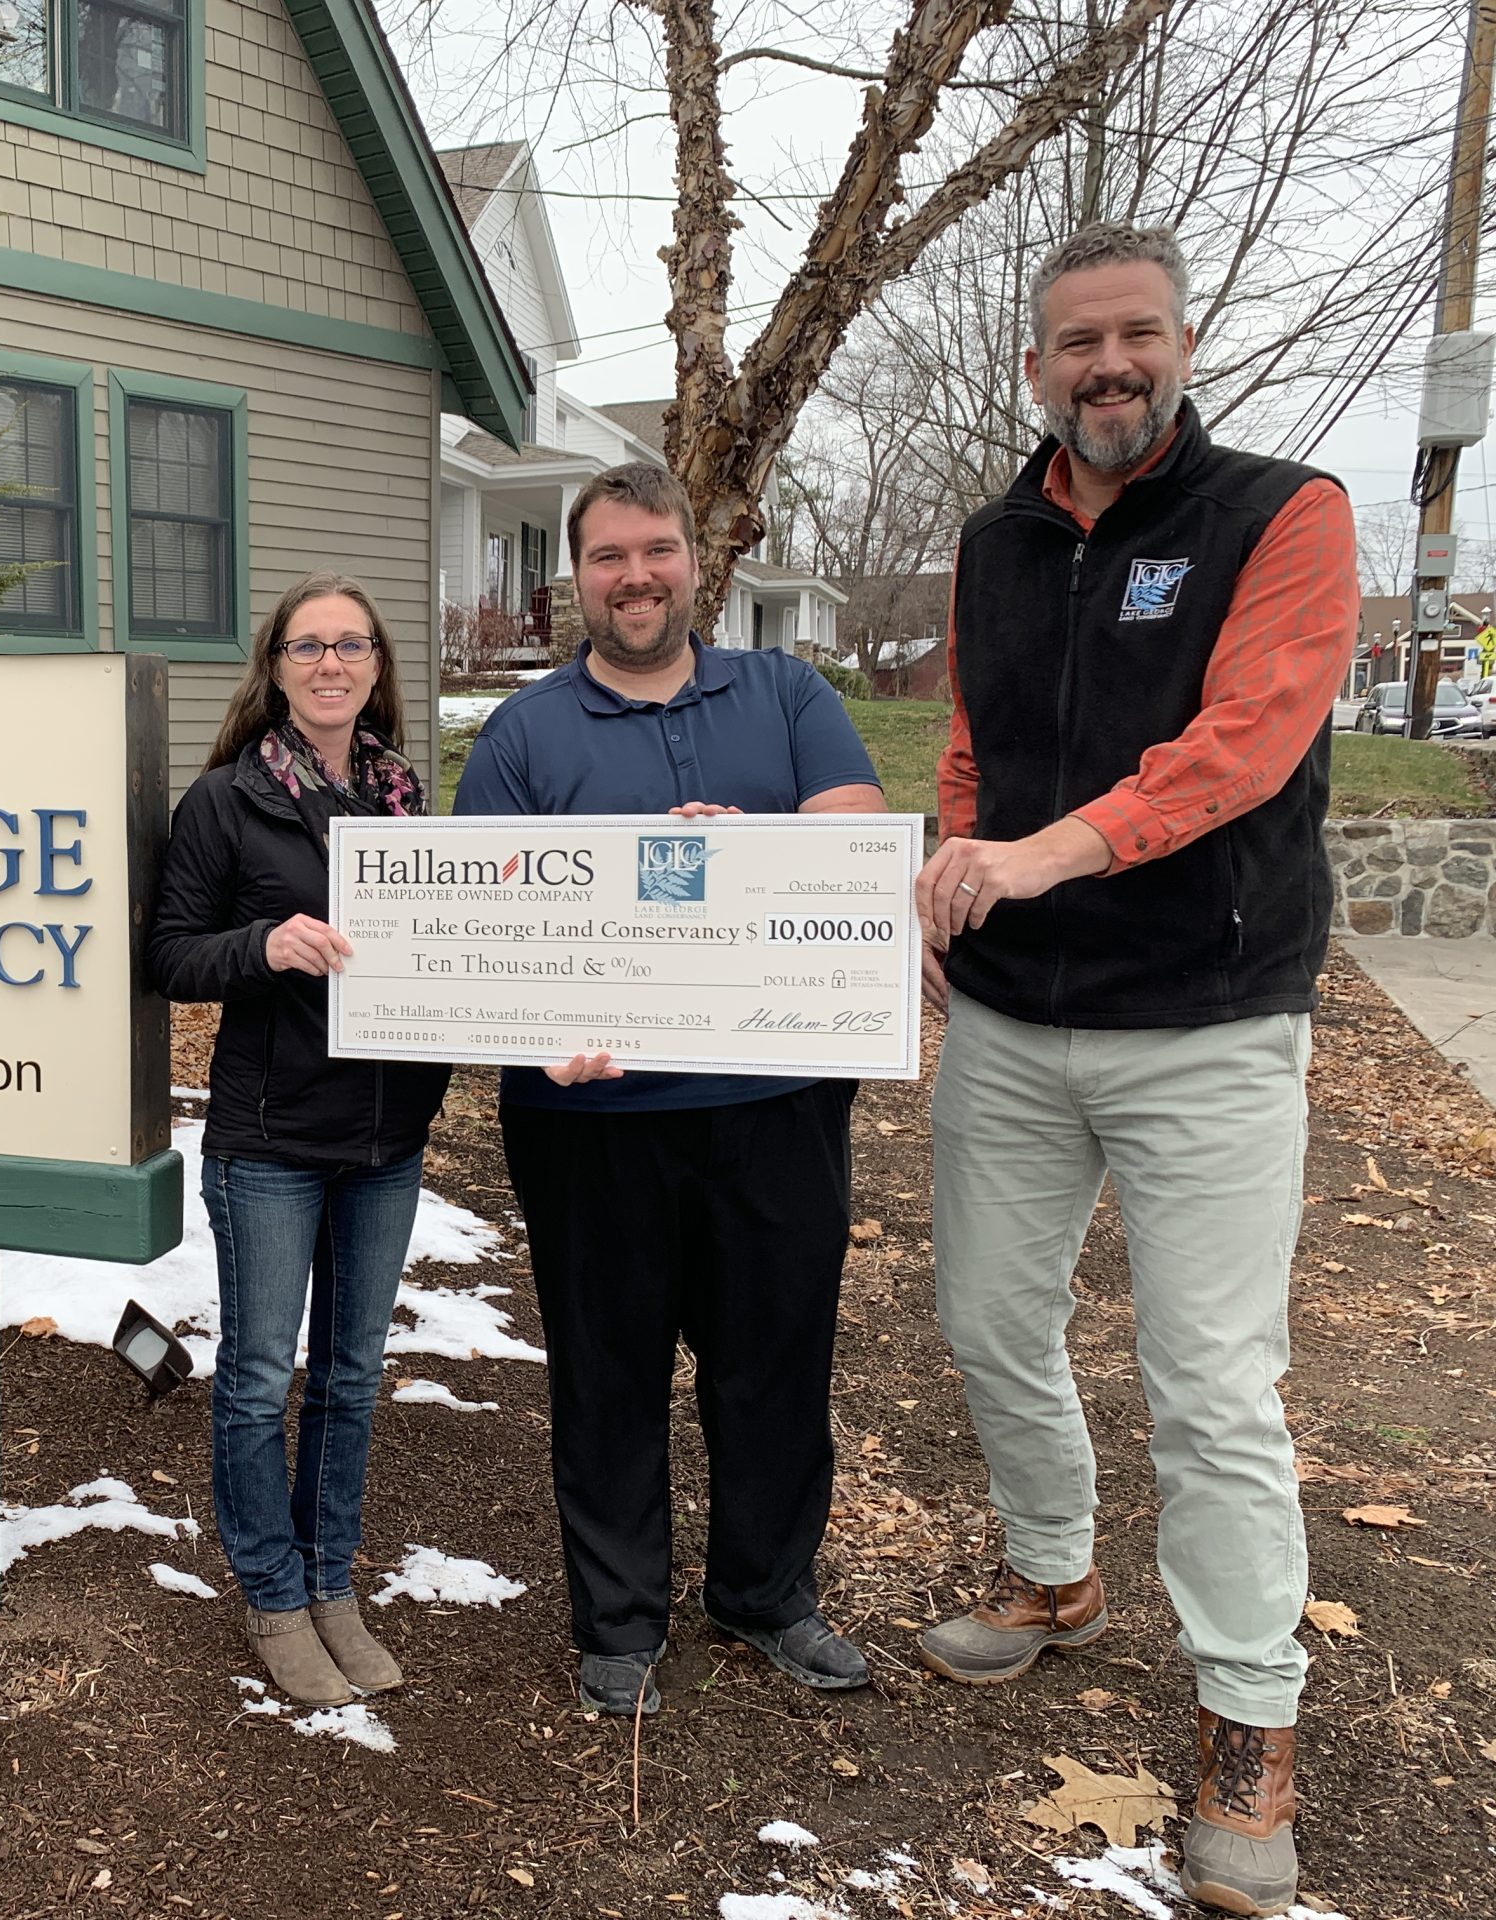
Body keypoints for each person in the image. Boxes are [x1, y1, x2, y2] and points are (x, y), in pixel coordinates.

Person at [913, 223, 1356, 1920]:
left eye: (1138, 337)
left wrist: (1044, 856)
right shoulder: (992, 540)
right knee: (987, 1323)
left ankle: (1251, 1717)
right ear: (1036, 367)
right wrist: (956, 867)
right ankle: (1053, 1577)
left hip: (1213, 1023)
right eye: (1077, 344)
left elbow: (1244, 745)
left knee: (1211, 1383)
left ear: (1183, 343)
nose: (1110, 367)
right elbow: (970, 745)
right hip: (1017, 1025)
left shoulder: (1283, 515)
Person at [452, 462, 886, 1719]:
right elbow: (483, 931)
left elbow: (856, 847)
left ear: (698, 562)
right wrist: (534, 1030)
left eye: (655, 551)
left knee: (775, 1363)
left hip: (774, 1099)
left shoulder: (787, 691)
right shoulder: (524, 734)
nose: (633, 576)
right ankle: (619, 1617)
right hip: (591, 1116)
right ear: (574, 575)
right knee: (606, 1368)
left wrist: (753, 851)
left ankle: (764, 1593)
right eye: (606, 557)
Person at [147, 573, 451, 1707]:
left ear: (377, 670)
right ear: (275, 666)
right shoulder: (224, 802)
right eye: (309, 645)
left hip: (388, 1135)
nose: (332, 663)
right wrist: (262, 945)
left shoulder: (408, 801)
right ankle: (271, 1595)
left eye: (353, 646)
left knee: (353, 1377)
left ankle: (332, 1582)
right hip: (269, 1137)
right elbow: (170, 956)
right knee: (259, 1375)